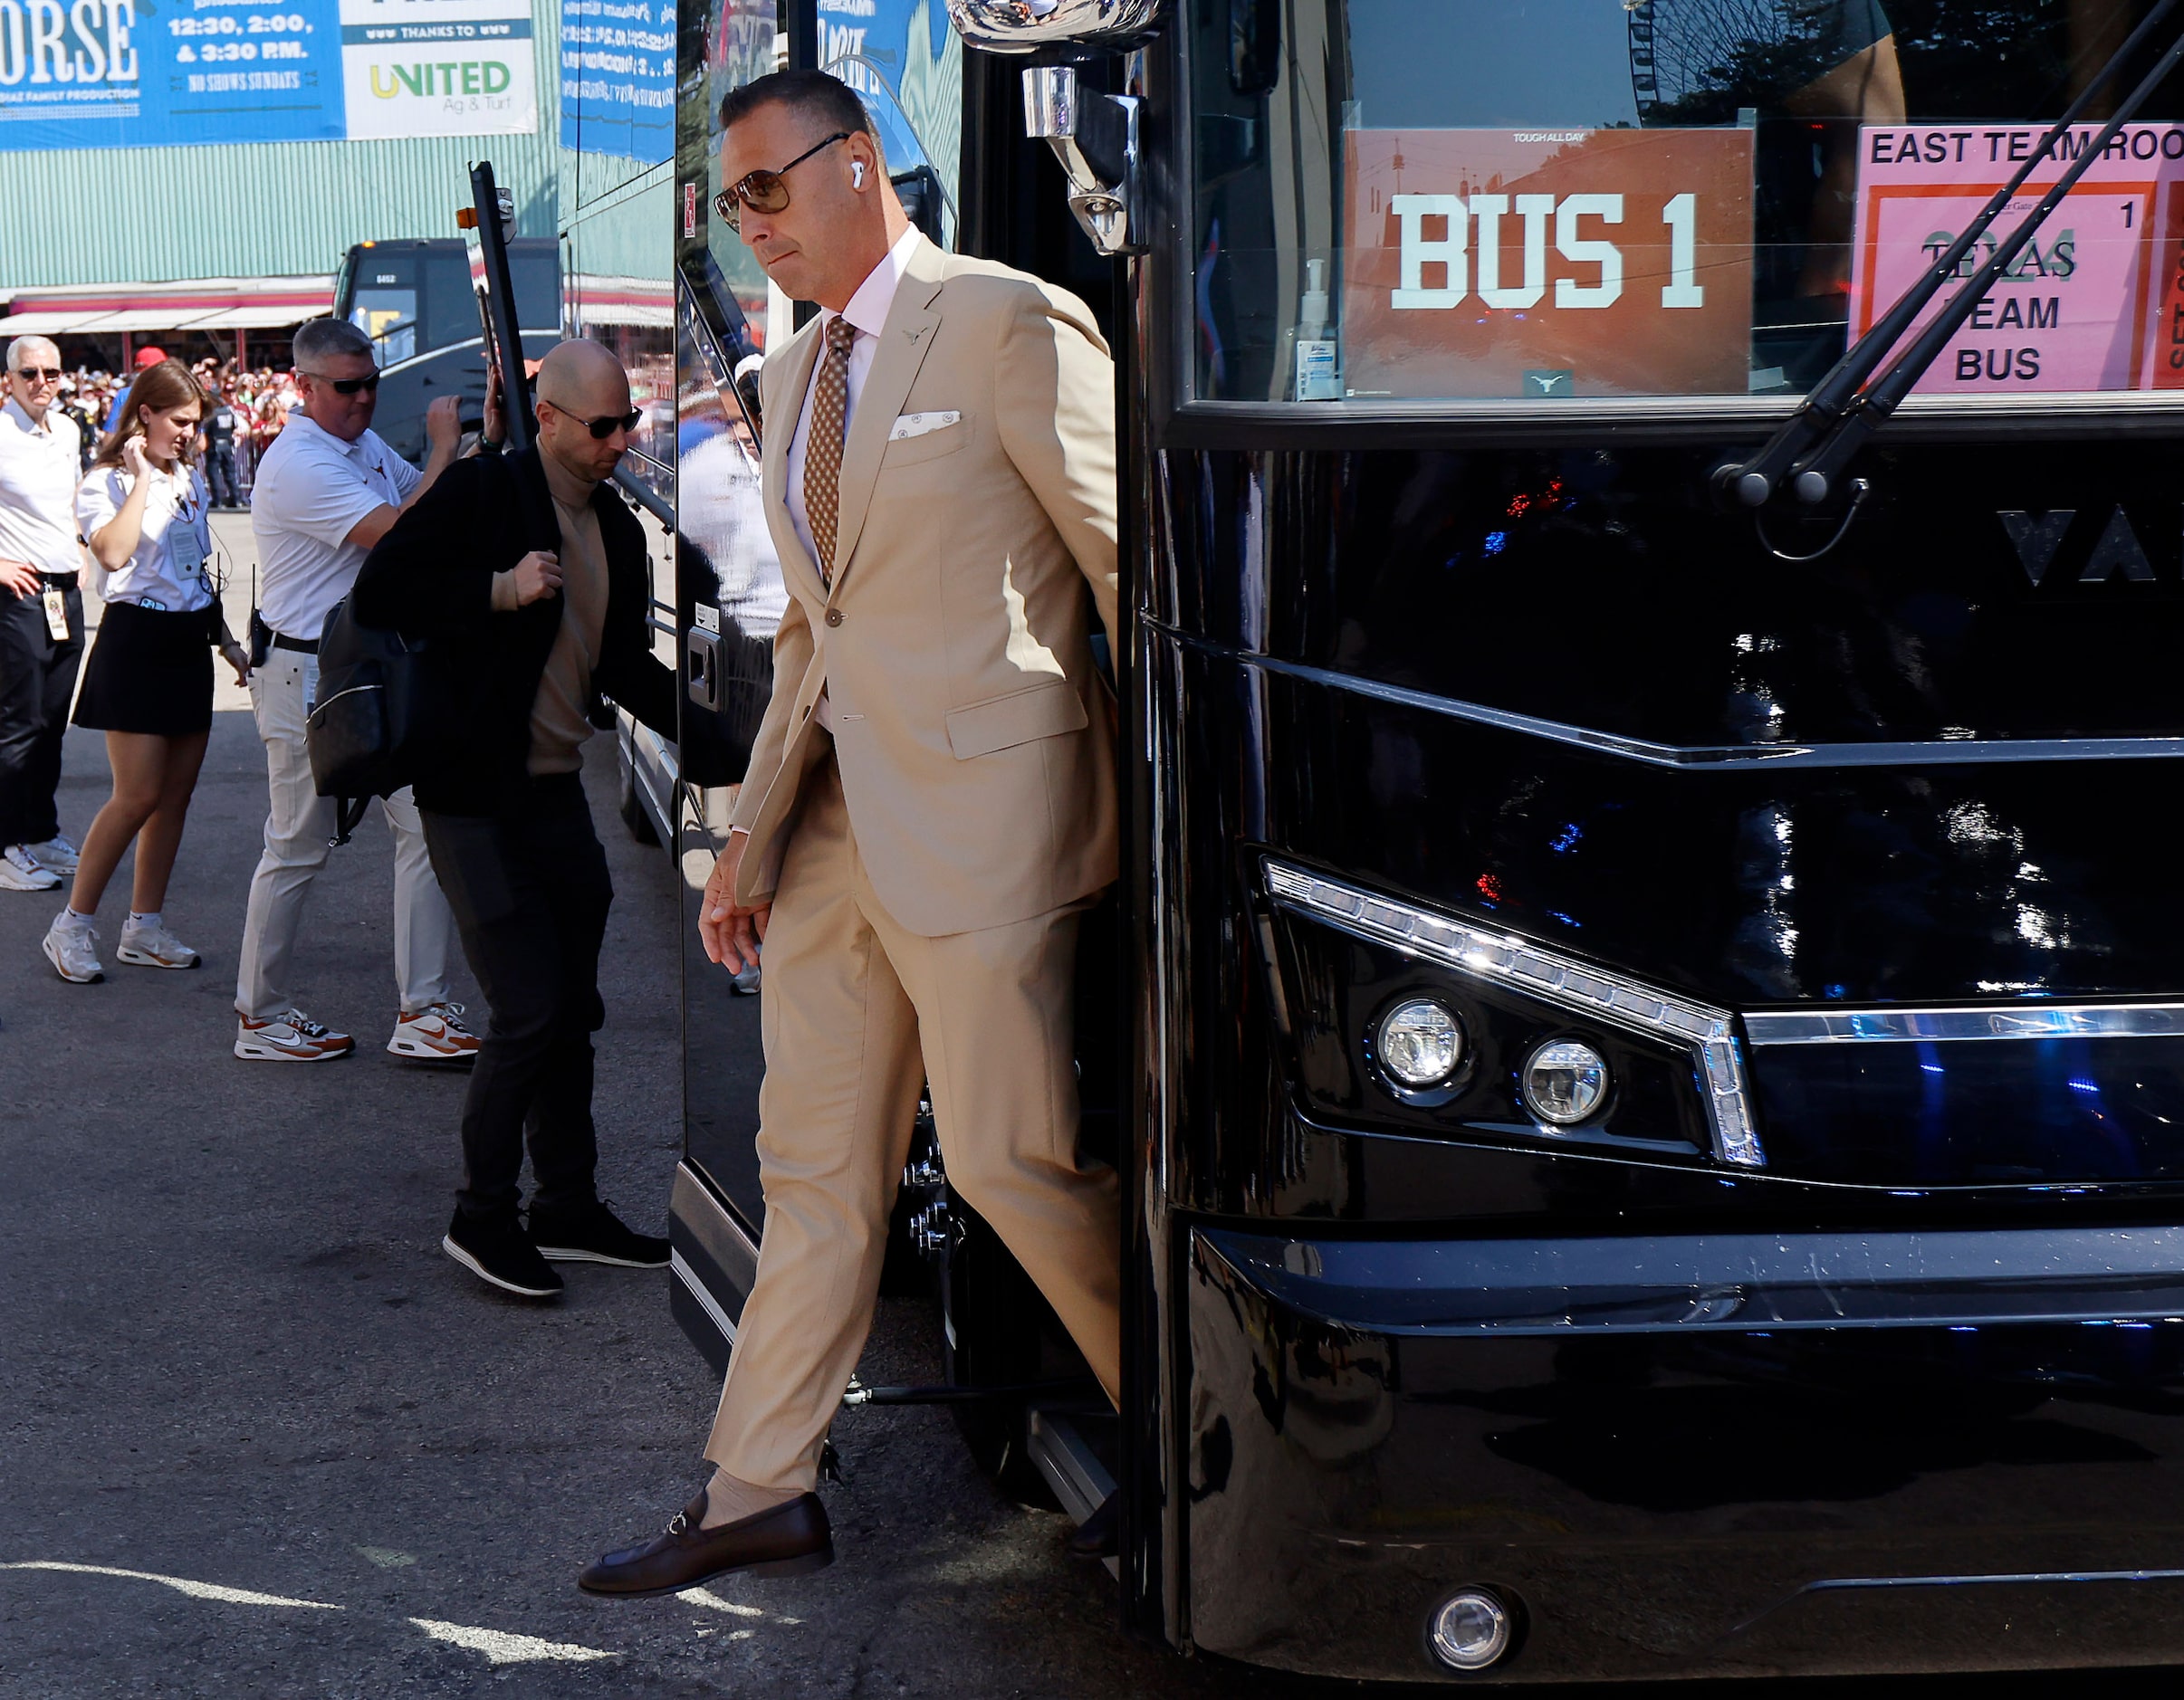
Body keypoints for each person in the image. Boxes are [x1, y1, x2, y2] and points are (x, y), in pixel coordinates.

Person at [579, 68, 1123, 1597]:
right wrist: (744, 839)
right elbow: (814, 640)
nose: (748, 226)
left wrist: (1168, 818)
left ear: (859, 164)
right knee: (810, 1167)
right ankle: (757, 1484)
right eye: (728, 203)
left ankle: (1194, 1440)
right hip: (835, 839)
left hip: (987, 830)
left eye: (765, 189)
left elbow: (1128, 577)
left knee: (1016, 1164)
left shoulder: (1010, 322)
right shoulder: (802, 368)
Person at [351, 339, 682, 1298]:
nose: (621, 441)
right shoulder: (486, 494)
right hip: (472, 796)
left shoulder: (615, 531)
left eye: (630, 423)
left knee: (571, 1010)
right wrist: (496, 590)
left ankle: (566, 1207)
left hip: (552, 793)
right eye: (603, 425)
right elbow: (383, 590)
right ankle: (480, 1215)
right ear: (547, 418)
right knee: (529, 1007)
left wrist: (730, 734)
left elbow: (621, 669)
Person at [234, 319, 473, 1065]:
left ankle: (422, 1011)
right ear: (303, 389)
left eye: (372, 383)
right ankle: (258, 1016)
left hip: (359, 670)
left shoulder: (354, 445)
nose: (365, 398)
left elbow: (435, 508)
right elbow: (407, 533)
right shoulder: (300, 461)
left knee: (425, 828)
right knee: (299, 846)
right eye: (348, 387)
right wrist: (441, 448)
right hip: (309, 678)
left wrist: (474, 446)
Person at [41, 359, 250, 983]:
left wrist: (227, 640)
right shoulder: (102, 481)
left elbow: (192, 572)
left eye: (195, 423)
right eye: (179, 421)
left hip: (186, 639)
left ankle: (145, 925)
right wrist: (138, 480)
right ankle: (70, 926)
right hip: (135, 642)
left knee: (174, 799)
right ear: (145, 415)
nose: (188, 433)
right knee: (135, 797)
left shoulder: (191, 479)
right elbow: (112, 552)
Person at [0, 336, 89, 894]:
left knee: (54, 719)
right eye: (29, 373)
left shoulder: (69, 430)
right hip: (18, 592)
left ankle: (40, 831)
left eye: (51, 373)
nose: (41, 383)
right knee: (18, 722)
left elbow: (72, 496)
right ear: (8, 378)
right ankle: (6, 845)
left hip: (64, 591)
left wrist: (77, 545)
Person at [203, 389, 242, 510]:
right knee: (229, 473)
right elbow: (234, 426)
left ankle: (217, 500)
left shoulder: (212, 414)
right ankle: (236, 498)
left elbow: (206, 429)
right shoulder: (228, 411)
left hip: (215, 445)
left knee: (214, 474)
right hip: (227, 444)